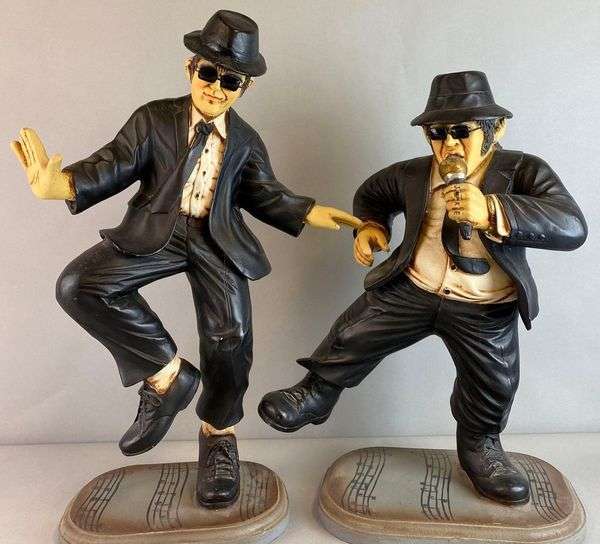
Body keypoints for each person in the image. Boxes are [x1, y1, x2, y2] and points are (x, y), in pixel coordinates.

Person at [11, 10, 359, 509]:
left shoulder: (245, 141)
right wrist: (63, 184)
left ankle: (219, 436)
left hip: (218, 238)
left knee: (231, 338)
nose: (216, 88)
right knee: (79, 286)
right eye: (209, 73)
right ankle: (167, 376)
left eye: (231, 81)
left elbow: (266, 193)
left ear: (245, 88)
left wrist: (311, 211)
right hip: (158, 230)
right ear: (189, 68)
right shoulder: (154, 119)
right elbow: (114, 162)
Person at [259, 71, 587, 505]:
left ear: (496, 129)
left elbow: (571, 224)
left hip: (484, 304)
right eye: (437, 133)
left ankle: (481, 446)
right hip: (415, 288)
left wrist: (493, 210)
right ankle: (317, 391)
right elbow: (374, 193)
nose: (449, 144)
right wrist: (371, 227)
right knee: (356, 329)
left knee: (494, 383)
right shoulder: (414, 174)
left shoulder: (523, 171)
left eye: (462, 132)